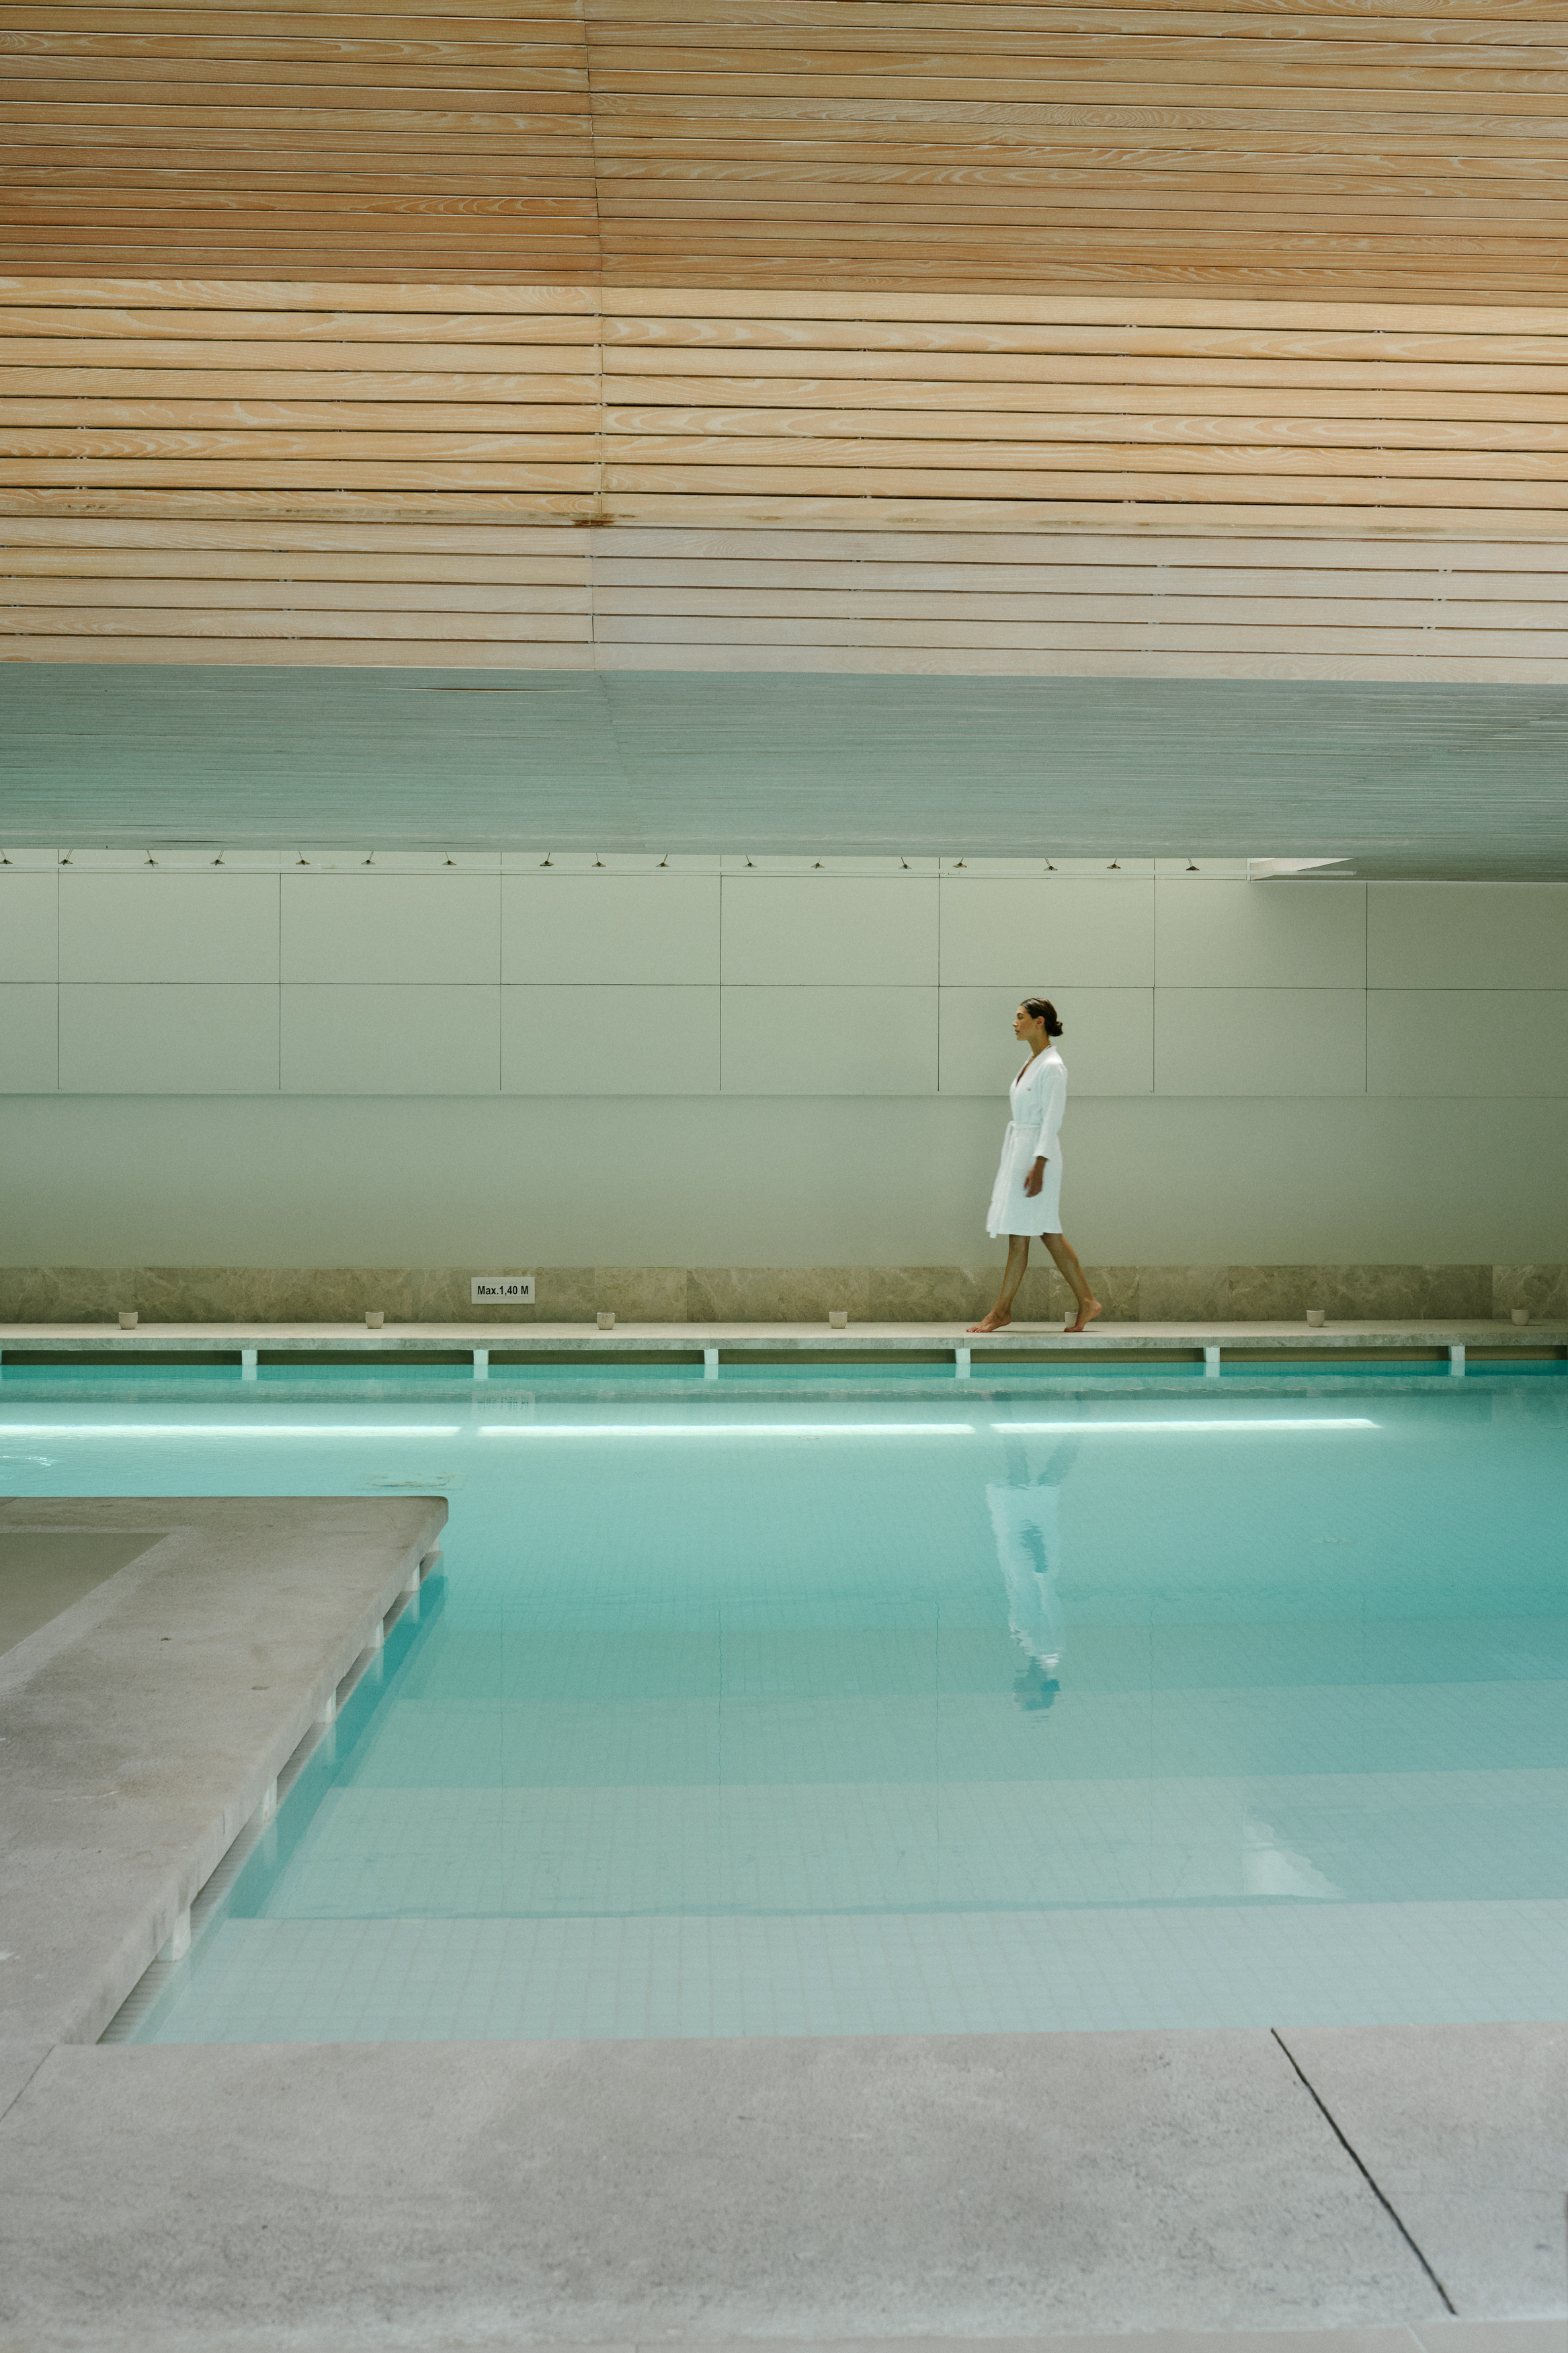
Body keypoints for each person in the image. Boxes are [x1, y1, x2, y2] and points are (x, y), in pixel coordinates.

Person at [969, 997, 1101, 1334]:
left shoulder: (1053, 1066)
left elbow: (1052, 1119)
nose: (1014, 1023)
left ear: (1039, 1021)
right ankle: (1086, 1302)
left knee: (1028, 1232)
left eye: (1020, 1017)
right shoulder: (1034, 1060)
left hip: (1036, 1156)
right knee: (1042, 1231)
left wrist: (1039, 1164)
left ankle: (1002, 1312)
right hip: (1023, 1152)